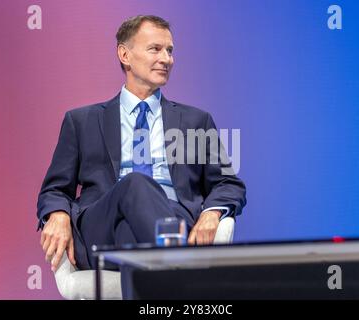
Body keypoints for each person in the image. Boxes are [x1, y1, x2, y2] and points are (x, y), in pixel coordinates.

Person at [36, 15, 246, 272]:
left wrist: (211, 213)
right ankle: (181, 271)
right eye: (155, 49)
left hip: (171, 222)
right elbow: (55, 189)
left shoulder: (196, 121)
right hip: (101, 227)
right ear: (125, 55)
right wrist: (58, 214)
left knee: (130, 234)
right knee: (134, 182)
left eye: (170, 51)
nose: (166, 59)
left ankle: (166, 278)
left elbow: (228, 183)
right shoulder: (81, 121)